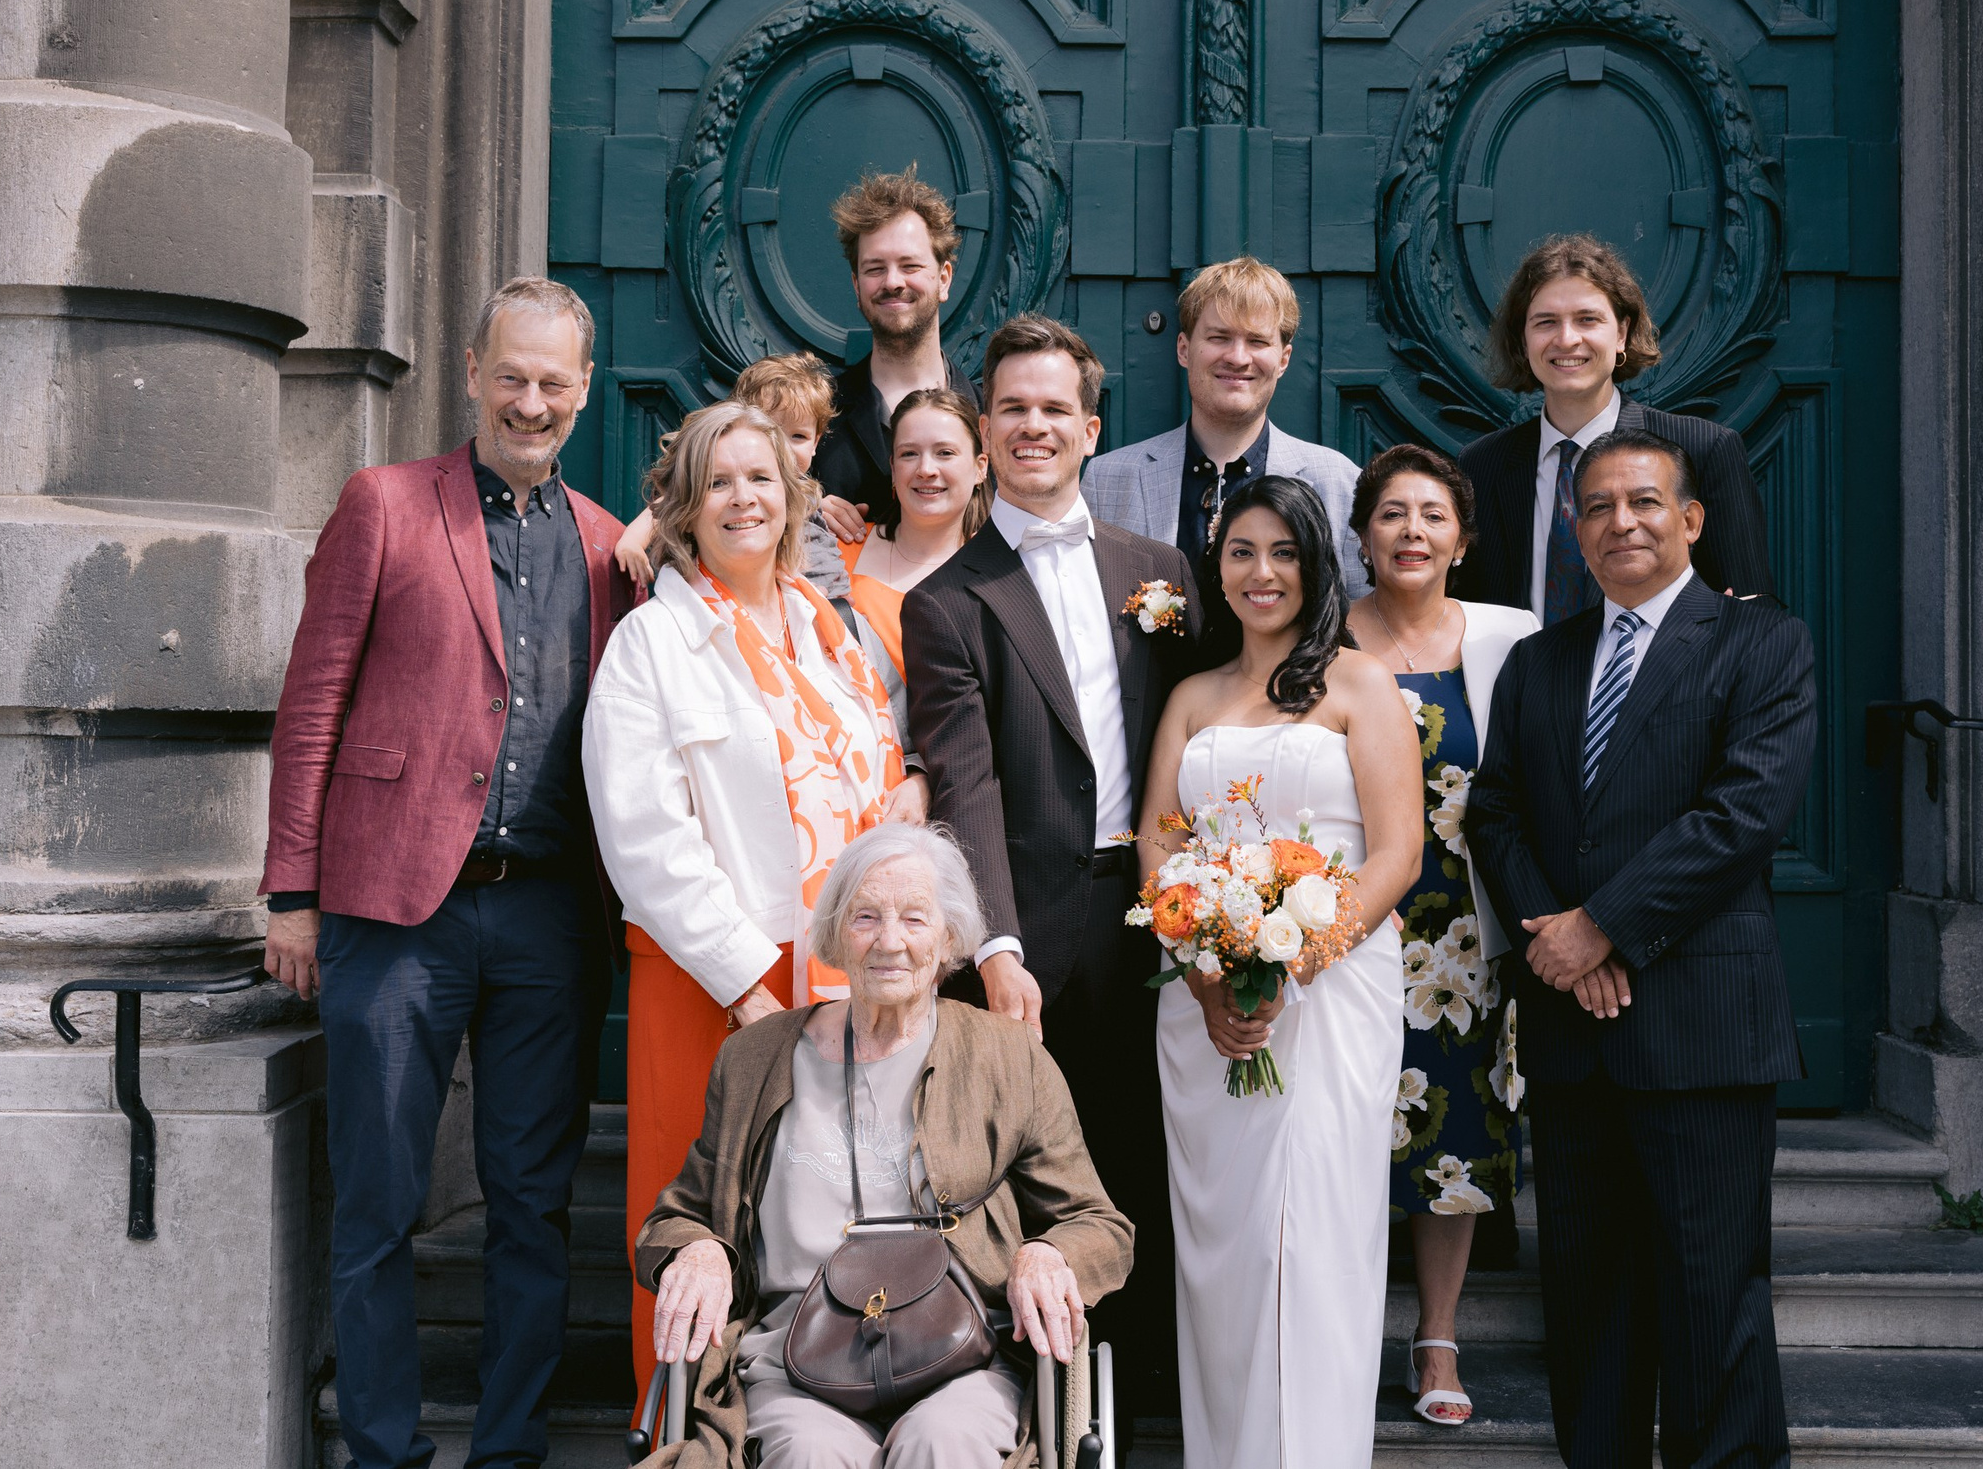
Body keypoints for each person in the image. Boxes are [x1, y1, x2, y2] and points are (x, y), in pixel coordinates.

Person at [259, 276, 630, 1469]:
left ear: (582, 393)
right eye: (512, 377)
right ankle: (379, 1447)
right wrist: (294, 895)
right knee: (377, 1205)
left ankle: (508, 1449)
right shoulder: (383, 505)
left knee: (532, 1206)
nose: (531, 402)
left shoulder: (613, 546)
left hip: (550, 922)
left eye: (554, 384)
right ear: (471, 371)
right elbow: (312, 702)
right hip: (391, 917)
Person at [1463, 428, 1816, 1469]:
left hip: (1703, 1027)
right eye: (1600, 507)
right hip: (1572, 1034)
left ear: (1692, 519)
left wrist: (1601, 926)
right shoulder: (1539, 660)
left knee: (1713, 1304)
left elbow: (1742, 816)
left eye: (1646, 503)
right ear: (1574, 530)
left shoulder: (1763, 645)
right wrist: (1557, 942)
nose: (1622, 522)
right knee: (1588, 1309)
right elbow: (1495, 815)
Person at [582, 401, 921, 1396]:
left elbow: (877, 768)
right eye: (719, 481)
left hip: (845, 978)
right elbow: (645, 837)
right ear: (684, 507)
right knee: (709, 1224)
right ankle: (689, 1437)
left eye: (761, 478)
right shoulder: (653, 643)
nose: (743, 499)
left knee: (832, 1221)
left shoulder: (829, 629)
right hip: (718, 983)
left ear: (792, 496)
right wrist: (745, 988)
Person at [900, 314, 1202, 1423]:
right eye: (1012, 408)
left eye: (1053, 409)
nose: (1034, 427)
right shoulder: (948, 602)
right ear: (984, 429)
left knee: (1151, 1162)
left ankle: (1149, 1407)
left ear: (1091, 426)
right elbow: (964, 779)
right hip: (1031, 928)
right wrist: (996, 943)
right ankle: (1031, 1411)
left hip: (1165, 918)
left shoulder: (1160, 573)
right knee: (1034, 1181)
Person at [634, 822, 1133, 1469]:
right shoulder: (754, 1057)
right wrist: (698, 1248)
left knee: (945, 1446)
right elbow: (680, 1213)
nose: (890, 940)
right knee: (808, 1455)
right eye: (866, 915)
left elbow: (1100, 1224)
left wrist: (1047, 1251)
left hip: (961, 1352)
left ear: (950, 937)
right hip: (795, 1355)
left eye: (915, 918)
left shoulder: (1008, 1057)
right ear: (836, 932)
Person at [1135, 475, 1418, 1469]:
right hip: (1205, 999)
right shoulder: (1191, 696)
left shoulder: (1358, 684)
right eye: (1242, 552)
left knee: (1310, 1241)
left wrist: (1292, 961)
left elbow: (1395, 855)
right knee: (1233, 1251)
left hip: (1330, 989)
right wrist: (1211, 972)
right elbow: (1158, 844)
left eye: (1284, 552)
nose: (1263, 573)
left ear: (1316, 564)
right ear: (1216, 566)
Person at [1341, 445, 1540, 1425]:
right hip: (1342, 933)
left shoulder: (1512, 639)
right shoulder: (1320, 640)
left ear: (1461, 539)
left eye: (1430, 516)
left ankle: (1437, 1339)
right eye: (1389, 515)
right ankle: (1341, 1335)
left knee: (1451, 1144)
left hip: (1461, 939)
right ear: (1362, 536)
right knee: (1342, 1137)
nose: (1410, 532)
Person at [1455, 235, 1773, 621]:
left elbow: (1752, 615)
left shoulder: (1704, 449)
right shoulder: (1482, 465)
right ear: (1523, 341)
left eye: (1587, 319)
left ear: (1621, 333)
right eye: (1546, 322)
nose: (1567, 339)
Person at [1082, 255, 1370, 597]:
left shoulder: (1337, 482)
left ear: (1283, 359)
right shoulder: (1108, 479)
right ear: (1184, 349)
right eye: (1219, 337)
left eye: (1257, 341)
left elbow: (1359, 618)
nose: (1237, 357)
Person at [618, 351, 855, 615]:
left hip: (835, 601)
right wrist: (632, 543)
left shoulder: (808, 494)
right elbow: (665, 505)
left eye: (798, 436)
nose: (784, 448)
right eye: (772, 432)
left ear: (815, 442)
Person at [812, 167, 983, 530]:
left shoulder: (991, 419)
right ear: (857, 287)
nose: (892, 282)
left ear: (944, 278)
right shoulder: (814, 414)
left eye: (910, 265)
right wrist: (797, 509)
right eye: (875, 268)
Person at [840, 386, 990, 732]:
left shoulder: (999, 576)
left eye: (945, 453)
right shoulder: (837, 548)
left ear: (980, 467)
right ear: (893, 469)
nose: (926, 469)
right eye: (909, 454)